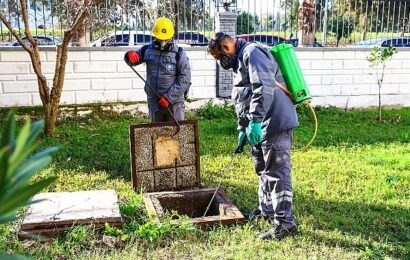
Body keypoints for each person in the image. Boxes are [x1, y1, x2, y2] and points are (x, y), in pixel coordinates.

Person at [207, 32, 299, 241]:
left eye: (219, 57)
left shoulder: (253, 52)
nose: (220, 62)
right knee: (262, 168)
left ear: (226, 47)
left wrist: (255, 121)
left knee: (277, 173)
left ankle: (286, 224)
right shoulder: (239, 62)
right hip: (260, 125)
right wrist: (242, 127)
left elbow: (262, 87)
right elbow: (243, 96)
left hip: (275, 121)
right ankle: (266, 211)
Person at [124, 17, 191, 122]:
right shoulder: (147, 50)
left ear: (171, 36)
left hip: (174, 104)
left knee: (176, 135)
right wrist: (129, 55)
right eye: (160, 38)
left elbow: (185, 79)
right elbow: (133, 60)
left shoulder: (179, 53)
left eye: (166, 38)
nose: (163, 41)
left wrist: (169, 98)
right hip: (154, 103)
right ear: (155, 36)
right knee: (156, 135)